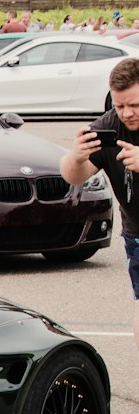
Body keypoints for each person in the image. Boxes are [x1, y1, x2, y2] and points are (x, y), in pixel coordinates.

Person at [60, 56, 139, 353]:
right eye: (120, 106)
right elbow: (73, 176)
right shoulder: (108, 125)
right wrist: (75, 158)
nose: (127, 113)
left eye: (135, 105)